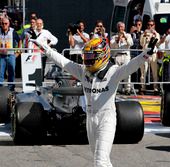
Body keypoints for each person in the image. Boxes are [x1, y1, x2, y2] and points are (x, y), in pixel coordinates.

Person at [31, 35, 157, 167]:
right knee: (102, 160)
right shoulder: (83, 71)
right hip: (90, 119)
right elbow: (62, 61)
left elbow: (131, 65)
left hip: (107, 118)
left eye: (91, 57)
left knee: (100, 161)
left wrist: (145, 54)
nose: (87, 61)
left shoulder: (114, 72)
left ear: (101, 56)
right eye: (86, 57)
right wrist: (44, 48)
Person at [110, 21, 133, 95]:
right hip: (118, 56)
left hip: (126, 55)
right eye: (119, 27)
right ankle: (119, 88)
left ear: (124, 27)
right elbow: (112, 45)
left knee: (127, 72)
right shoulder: (114, 36)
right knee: (117, 72)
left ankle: (127, 89)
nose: (120, 28)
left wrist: (125, 37)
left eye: (122, 27)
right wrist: (118, 39)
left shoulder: (128, 35)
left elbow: (131, 43)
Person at [0, 17, 22, 91]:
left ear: (9, 24)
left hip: (11, 56)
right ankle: (1, 89)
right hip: (1, 56)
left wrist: (18, 52)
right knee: (0, 73)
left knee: (11, 73)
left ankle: (11, 90)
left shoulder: (13, 31)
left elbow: (19, 41)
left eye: (6, 23)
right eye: (2, 23)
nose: (4, 25)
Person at [140, 19, 160, 95]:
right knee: (143, 72)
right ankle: (142, 88)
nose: (150, 26)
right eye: (148, 25)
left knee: (154, 72)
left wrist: (154, 35)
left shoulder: (156, 33)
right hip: (145, 53)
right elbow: (141, 44)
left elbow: (157, 43)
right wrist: (144, 36)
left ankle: (155, 88)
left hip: (153, 54)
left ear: (154, 26)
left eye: (151, 25)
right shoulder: (144, 33)